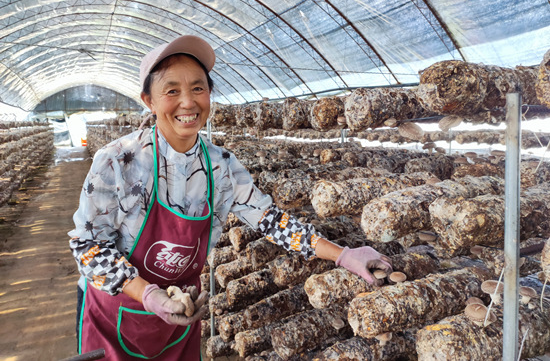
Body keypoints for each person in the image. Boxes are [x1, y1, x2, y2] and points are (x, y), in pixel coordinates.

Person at [69, 35, 392, 360]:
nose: (187, 102)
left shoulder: (220, 165)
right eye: (171, 91)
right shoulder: (119, 161)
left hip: (180, 313)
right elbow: (87, 247)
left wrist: (341, 255)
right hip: (116, 314)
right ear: (149, 100)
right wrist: (150, 295)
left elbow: (270, 221)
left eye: (198, 88)